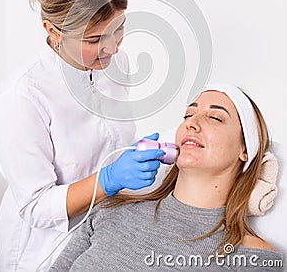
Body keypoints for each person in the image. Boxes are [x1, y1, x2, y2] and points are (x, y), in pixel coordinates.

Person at [0, 0, 164, 271]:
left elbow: (105, 140)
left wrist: (138, 154)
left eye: (118, 29)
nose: (112, 48)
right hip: (44, 249)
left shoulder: (116, 65)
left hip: (101, 232)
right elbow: (35, 206)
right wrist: (108, 179)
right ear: (52, 31)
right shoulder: (23, 96)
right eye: (94, 39)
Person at [49, 84, 284, 271]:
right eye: (188, 114)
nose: (192, 123)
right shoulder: (110, 212)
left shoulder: (254, 258)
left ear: (246, 150)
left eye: (215, 118)